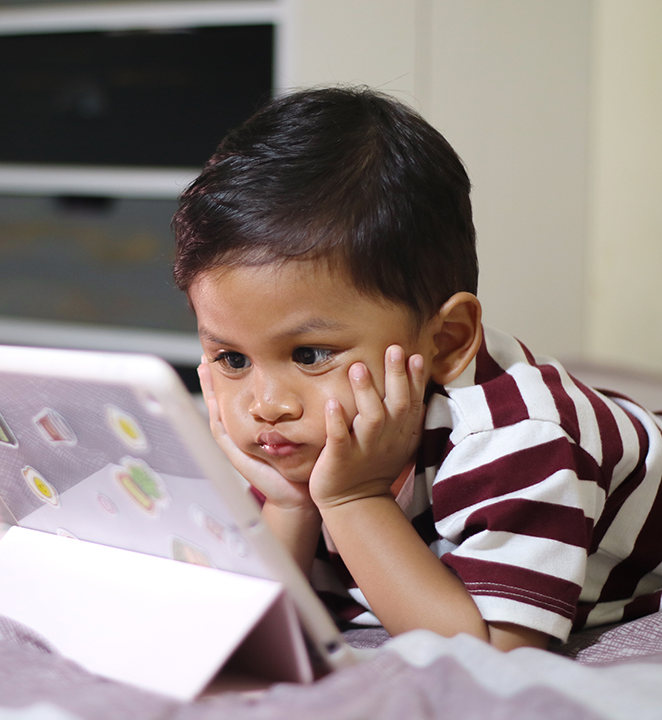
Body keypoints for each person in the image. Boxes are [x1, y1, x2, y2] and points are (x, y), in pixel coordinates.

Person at [171, 86, 662, 652]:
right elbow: (250, 618)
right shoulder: (290, 432)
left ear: (446, 342)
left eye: (310, 355)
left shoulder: (518, 438)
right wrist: (289, 503)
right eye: (232, 359)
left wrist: (354, 498)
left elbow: (497, 656)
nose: (266, 404)